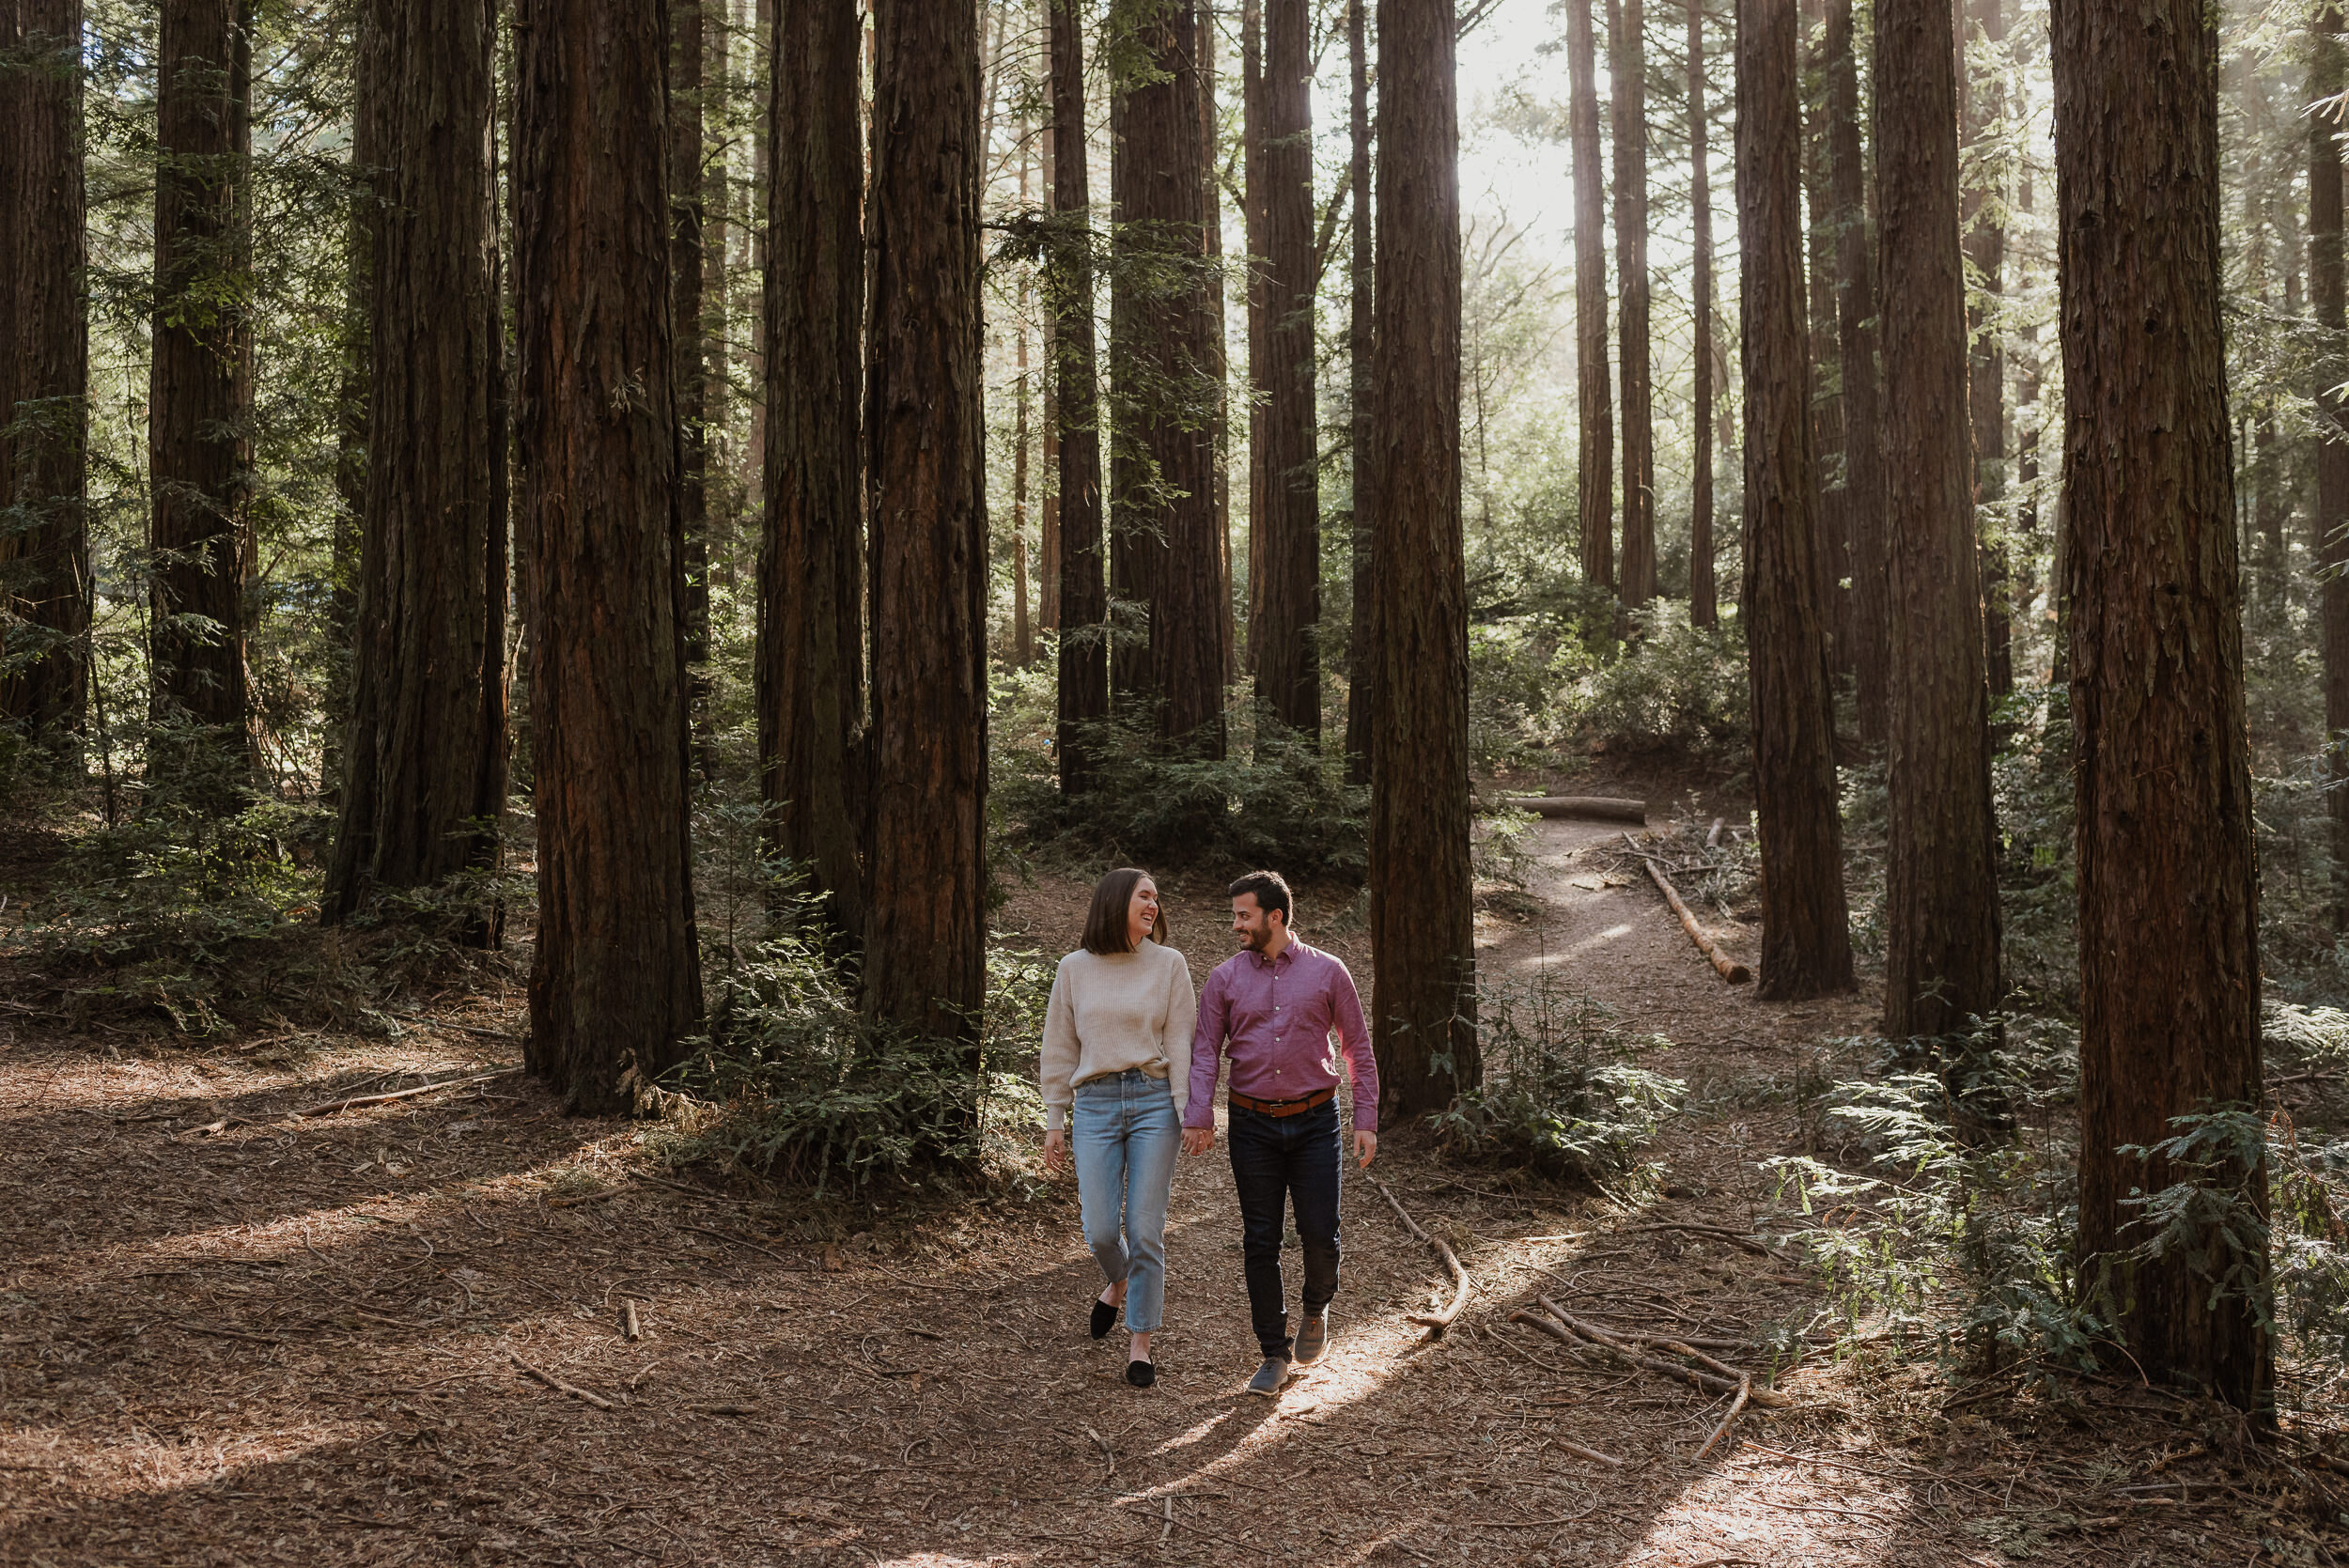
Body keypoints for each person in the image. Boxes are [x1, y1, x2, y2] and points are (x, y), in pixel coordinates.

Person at [1182, 870, 1378, 1396]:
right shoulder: (1224, 979)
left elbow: (1357, 1047)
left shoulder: (1328, 973)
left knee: (1320, 1233)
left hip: (1316, 1121)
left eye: (1243, 915)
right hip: (1251, 1126)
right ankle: (1272, 1352)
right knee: (1260, 1240)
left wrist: (1366, 1118)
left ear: (1275, 916)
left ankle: (1316, 1308)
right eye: (1234, 916)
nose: (1236, 925)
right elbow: (1205, 1051)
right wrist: (1199, 1113)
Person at [1040, 867, 1196, 1389]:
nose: (1154, 905)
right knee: (1102, 1229)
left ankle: (1140, 1343)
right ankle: (1120, 1281)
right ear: (1114, 903)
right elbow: (1060, 1047)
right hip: (1096, 1104)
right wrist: (1054, 1119)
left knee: (1144, 1229)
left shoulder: (1170, 965)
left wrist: (1187, 1111)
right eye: (1143, 897)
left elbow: (1180, 1046)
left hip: (1154, 1104)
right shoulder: (1074, 969)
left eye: (1156, 897)